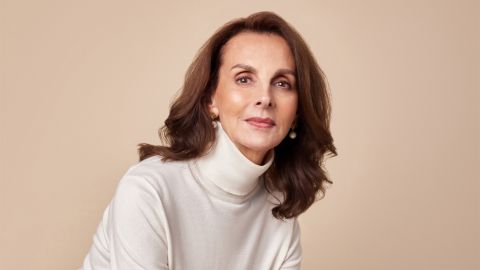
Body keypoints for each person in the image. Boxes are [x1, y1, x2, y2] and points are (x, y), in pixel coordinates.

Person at [81, 11, 336, 270]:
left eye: (282, 83)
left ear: (296, 113)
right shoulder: (149, 190)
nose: (265, 98)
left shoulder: (280, 214)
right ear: (210, 99)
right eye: (244, 79)